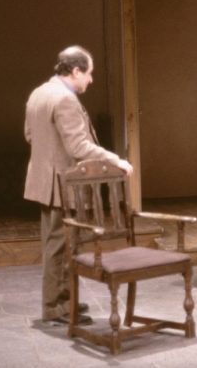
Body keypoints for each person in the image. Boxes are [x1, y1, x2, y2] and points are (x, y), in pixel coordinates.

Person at [24, 45, 133, 325]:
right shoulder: (64, 99)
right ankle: (57, 307)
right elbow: (78, 146)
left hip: (46, 181)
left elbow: (29, 135)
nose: (91, 79)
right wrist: (115, 159)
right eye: (89, 73)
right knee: (61, 245)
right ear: (75, 71)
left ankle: (63, 298)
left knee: (57, 243)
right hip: (61, 183)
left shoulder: (39, 93)